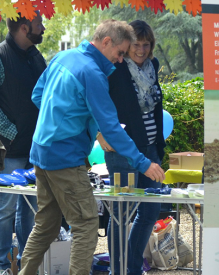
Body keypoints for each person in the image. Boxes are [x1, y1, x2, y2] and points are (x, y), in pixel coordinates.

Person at [19, 20, 165, 275]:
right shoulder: (92, 73)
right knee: (86, 224)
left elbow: (37, 96)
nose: (120, 60)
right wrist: (144, 163)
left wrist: (62, 119)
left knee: (46, 224)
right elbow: (111, 128)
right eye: (120, 52)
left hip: (41, 152)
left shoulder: (63, 56)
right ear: (106, 42)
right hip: (64, 158)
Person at [0, 12, 46, 275]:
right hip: (10, 151)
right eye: (39, 24)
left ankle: (29, 267)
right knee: (6, 209)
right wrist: (12, 133)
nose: (43, 28)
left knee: (30, 210)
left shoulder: (35, 56)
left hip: (35, 149)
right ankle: (0, 268)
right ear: (25, 28)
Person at [100, 20, 164, 275]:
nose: (141, 50)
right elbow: (97, 101)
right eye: (136, 45)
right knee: (120, 215)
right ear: (125, 47)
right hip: (122, 152)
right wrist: (98, 131)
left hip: (151, 150)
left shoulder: (154, 66)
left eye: (146, 45)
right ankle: (118, 270)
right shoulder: (113, 67)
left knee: (150, 211)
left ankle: (133, 268)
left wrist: (158, 145)